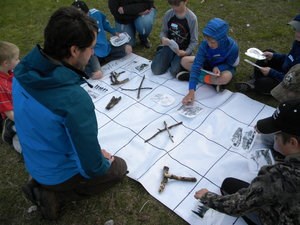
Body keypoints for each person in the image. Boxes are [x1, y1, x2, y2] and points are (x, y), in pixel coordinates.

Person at [13, 7, 127, 220]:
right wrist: (104, 161)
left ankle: (40, 182)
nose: (93, 53)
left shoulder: (22, 72)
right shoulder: (72, 100)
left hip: (33, 158)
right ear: (75, 50)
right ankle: (53, 192)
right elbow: (91, 168)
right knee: (119, 168)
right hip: (55, 173)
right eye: (91, 48)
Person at [194, 100, 300, 225]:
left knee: (228, 185)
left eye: (276, 136)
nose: (274, 138)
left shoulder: (278, 176)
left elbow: (239, 205)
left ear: (293, 143)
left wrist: (207, 197)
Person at [235, 14, 300, 95]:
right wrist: (273, 55)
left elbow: (292, 80)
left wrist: (272, 72)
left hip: (289, 82)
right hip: (284, 71)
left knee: (263, 83)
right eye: (296, 29)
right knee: (264, 55)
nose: (297, 33)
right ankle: (256, 79)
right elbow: (290, 58)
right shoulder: (297, 42)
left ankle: (256, 85)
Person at [182, 18, 239, 105]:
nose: (209, 44)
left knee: (225, 78)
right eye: (207, 41)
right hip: (207, 64)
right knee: (184, 61)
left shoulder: (233, 47)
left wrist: (219, 67)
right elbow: (197, 64)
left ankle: (194, 77)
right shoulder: (205, 44)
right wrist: (191, 91)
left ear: (221, 39)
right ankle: (211, 82)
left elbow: (230, 64)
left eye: (212, 42)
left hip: (222, 70)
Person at [71, 0, 132, 80]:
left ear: (88, 12)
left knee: (127, 49)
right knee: (98, 74)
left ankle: (103, 60)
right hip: (92, 53)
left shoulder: (96, 13)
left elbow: (105, 23)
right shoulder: (74, 26)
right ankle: (91, 68)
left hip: (105, 47)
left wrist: (114, 32)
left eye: (85, 16)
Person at [151, 0, 198, 77]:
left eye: (177, 5)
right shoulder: (169, 14)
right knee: (156, 70)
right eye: (171, 4)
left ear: (186, 1)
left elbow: (194, 41)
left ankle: (172, 59)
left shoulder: (192, 18)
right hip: (170, 46)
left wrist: (186, 52)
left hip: (183, 50)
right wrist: (163, 38)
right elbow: (163, 31)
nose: (174, 7)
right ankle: (162, 51)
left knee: (174, 71)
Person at [0, 41, 21, 153]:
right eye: (17, 59)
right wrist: (26, 121)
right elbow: (10, 113)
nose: (19, 61)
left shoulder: (10, 71)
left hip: (19, 106)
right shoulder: (0, 87)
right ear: (6, 63)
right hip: (10, 118)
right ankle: (9, 135)